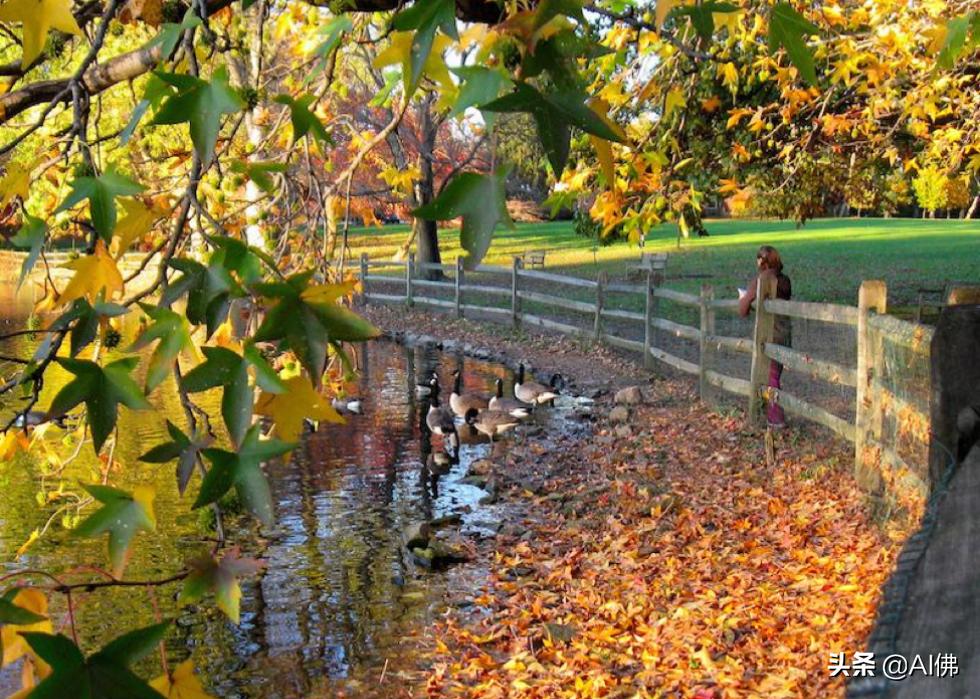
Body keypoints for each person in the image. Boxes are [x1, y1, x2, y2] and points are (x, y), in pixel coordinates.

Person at [738, 245, 792, 428]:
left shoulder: (762, 278)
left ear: (762, 261)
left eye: (758, 258)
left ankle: (776, 418)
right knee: (774, 374)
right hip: (785, 333)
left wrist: (744, 297)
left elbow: (742, 309)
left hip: (769, 334)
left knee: (771, 378)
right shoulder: (785, 280)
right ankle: (771, 413)